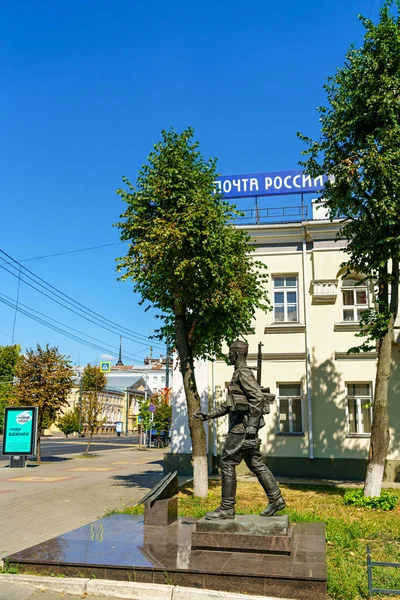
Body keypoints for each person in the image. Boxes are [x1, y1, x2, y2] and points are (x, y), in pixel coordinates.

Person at [193, 339, 285, 520]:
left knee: (227, 462)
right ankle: (276, 499)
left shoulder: (243, 373)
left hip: (241, 428)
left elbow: (257, 398)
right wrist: (209, 415)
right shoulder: (239, 373)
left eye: (229, 352)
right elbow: (231, 405)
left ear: (236, 354)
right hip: (244, 426)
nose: (228, 355)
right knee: (255, 463)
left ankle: (227, 507)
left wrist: (251, 425)